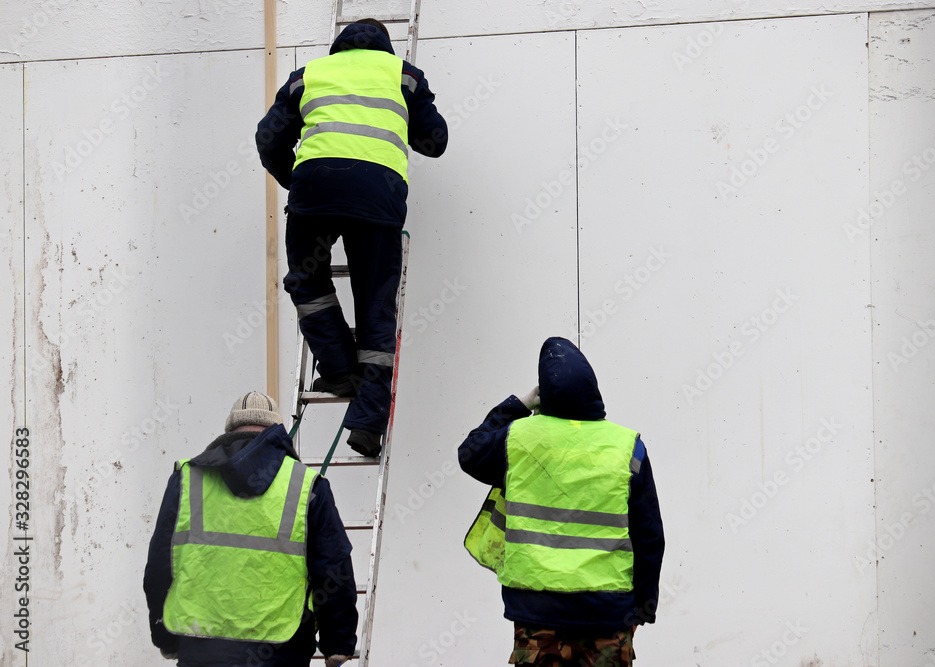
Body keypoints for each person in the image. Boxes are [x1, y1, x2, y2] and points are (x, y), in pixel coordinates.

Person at [256, 18, 448, 458]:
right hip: (378, 201)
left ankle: (340, 369)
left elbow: (268, 138)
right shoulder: (403, 75)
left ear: (339, 46)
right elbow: (435, 142)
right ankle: (367, 422)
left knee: (308, 284)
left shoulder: (309, 75)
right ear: (383, 47)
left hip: (316, 193)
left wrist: (296, 182)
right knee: (376, 306)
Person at [459, 338, 665, 666]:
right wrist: (642, 608)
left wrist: (517, 404)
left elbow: (470, 453)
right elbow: (649, 535)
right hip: (607, 614)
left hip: (536, 614)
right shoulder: (628, 448)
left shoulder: (518, 436)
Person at [143, 391, 358, 667]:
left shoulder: (187, 480)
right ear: (275, 432)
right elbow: (332, 567)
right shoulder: (305, 485)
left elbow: (160, 565)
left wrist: (165, 634)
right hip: (281, 651)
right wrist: (337, 642)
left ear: (229, 432)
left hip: (201, 650)